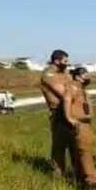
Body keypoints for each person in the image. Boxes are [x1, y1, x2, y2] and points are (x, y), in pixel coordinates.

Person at [62, 67, 96, 190]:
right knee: (85, 152)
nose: (88, 76)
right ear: (78, 76)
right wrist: (69, 118)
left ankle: (82, 179)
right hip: (79, 123)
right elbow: (67, 100)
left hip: (86, 123)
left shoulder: (81, 88)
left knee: (85, 151)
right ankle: (92, 181)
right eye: (85, 74)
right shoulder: (72, 87)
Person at [38, 49, 73, 178]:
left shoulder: (64, 73)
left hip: (70, 111)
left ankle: (73, 173)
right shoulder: (49, 74)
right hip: (58, 113)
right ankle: (58, 174)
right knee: (59, 146)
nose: (68, 63)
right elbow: (65, 93)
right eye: (65, 61)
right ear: (56, 60)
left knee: (75, 145)